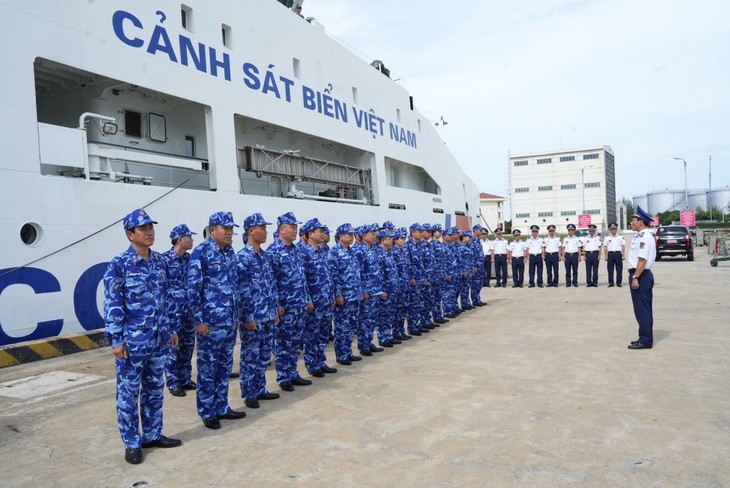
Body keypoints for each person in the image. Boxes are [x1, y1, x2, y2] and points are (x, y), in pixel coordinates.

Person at [104, 209, 181, 465]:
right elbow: (113, 304)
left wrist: (171, 329)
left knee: (154, 389)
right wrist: (116, 340)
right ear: (130, 234)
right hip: (133, 342)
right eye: (143, 229)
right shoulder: (120, 265)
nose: (149, 232)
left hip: (158, 339)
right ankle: (132, 442)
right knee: (128, 393)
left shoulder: (160, 262)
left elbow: (166, 299)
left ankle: (152, 434)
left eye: (151, 227)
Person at [188, 211, 247, 430]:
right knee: (207, 369)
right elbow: (193, 289)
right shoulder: (201, 253)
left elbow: (235, 286)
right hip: (210, 324)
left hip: (229, 321)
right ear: (212, 230)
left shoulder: (229, 251)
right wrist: (198, 321)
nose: (230, 232)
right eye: (226, 228)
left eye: (232, 228)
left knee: (224, 367)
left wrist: (237, 315)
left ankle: (222, 407)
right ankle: (207, 411)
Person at [236, 213, 281, 410]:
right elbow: (241, 290)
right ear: (251, 231)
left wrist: (275, 309)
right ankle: (248, 392)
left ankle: (260, 388)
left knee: (264, 355)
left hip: (268, 314)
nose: (265, 231)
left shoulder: (265, 256)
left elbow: (271, 285)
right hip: (253, 317)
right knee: (250, 356)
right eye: (261, 228)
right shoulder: (242, 258)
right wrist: (247, 317)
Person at [267, 212, 314, 391]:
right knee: (283, 343)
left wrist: (307, 299)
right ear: (281, 229)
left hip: (299, 304)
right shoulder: (273, 252)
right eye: (291, 227)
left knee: (295, 342)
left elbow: (303, 278)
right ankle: (283, 376)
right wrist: (276, 305)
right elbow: (271, 282)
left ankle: (293, 373)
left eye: (296, 227)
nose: (295, 230)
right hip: (285, 307)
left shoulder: (296, 250)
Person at [300, 218, 338, 377]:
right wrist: (308, 299)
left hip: (326, 300)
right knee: (312, 335)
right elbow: (303, 279)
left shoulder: (323, 251)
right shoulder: (304, 253)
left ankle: (321, 361)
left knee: (323, 333)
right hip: (314, 302)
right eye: (319, 231)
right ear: (310, 234)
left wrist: (333, 295)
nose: (322, 233)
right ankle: (312, 365)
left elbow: (329, 276)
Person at [164, 224, 197, 398]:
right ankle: (173, 381)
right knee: (173, 347)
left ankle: (185, 378)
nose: (192, 240)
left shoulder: (190, 260)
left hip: (188, 310)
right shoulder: (165, 261)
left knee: (187, 346)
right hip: (172, 311)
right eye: (189, 237)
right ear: (180, 239)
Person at [328, 223, 363, 365]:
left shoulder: (352, 252)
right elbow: (333, 275)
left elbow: (357, 274)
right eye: (349, 235)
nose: (352, 237)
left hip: (354, 295)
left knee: (352, 327)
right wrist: (338, 294)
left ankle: (348, 352)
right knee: (342, 327)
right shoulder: (334, 252)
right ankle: (341, 355)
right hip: (344, 297)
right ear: (341, 236)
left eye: (353, 235)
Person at [627, 206, 657, 349]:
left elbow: (642, 260)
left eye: (633, 220)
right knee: (640, 309)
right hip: (640, 274)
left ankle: (645, 340)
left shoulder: (645, 237)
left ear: (640, 221)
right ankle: (643, 337)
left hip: (641, 275)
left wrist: (636, 277)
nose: (631, 222)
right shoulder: (639, 236)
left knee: (643, 309)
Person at [374, 228, 400, 347]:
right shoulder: (379, 254)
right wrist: (382, 290)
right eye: (390, 239)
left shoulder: (389, 252)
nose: (392, 241)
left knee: (390, 314)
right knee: (383, 315)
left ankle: (388, 336)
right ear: (383, 240)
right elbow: (379, 274)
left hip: (392, 289)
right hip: (385, 290)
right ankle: (383, 337)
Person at [603, 222, 626, 287]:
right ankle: (611, 282)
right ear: (610, 230)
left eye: (614, 229)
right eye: (611, 229)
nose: (613, 230)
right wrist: (606, 256)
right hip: (610, 254)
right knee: (610, 269)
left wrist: (623, 255)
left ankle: (619, 282)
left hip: (618, 253)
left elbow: (623, 246)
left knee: (619, 269)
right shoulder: (607, 237)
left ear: (616, 229)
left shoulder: (621, 237)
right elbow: (605, 247)